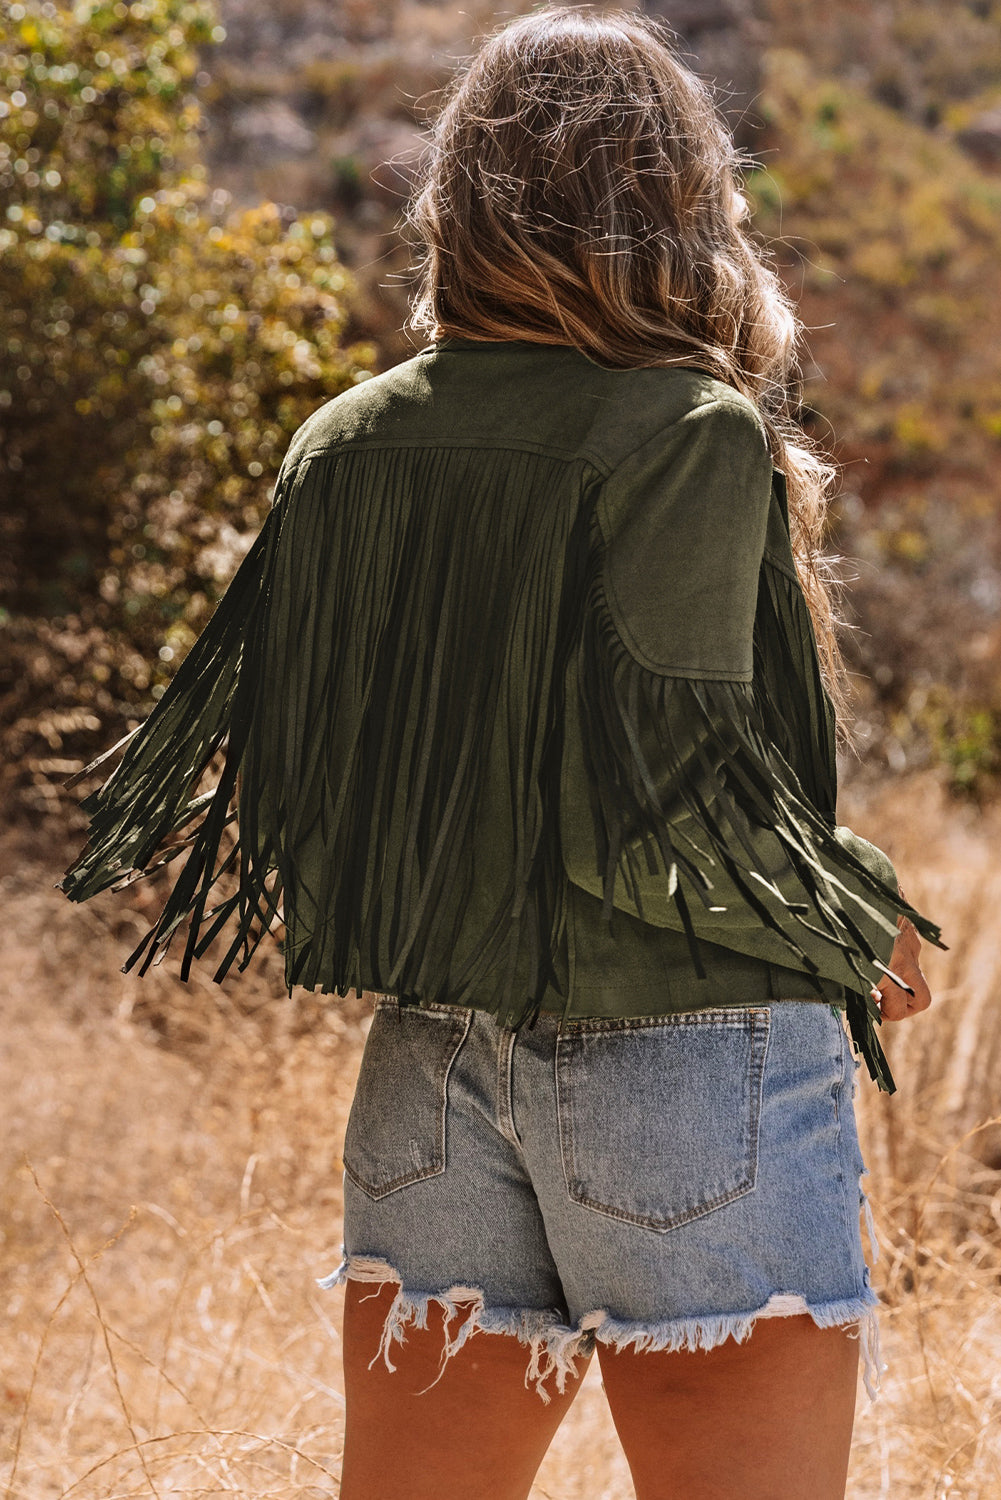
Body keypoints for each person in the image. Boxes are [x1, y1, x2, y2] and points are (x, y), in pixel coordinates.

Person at [63, 8, 943, 1498]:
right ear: (677, 201)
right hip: (691, 1074)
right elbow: (656, 809)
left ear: (458, 200)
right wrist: (856, 918)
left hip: (429, 1065)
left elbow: (297, 790)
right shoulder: (684, 430)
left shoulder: (340, 443)